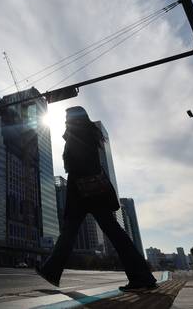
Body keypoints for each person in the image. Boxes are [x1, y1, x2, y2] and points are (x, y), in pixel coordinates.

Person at [36, 107, 157, 292]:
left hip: (83, 193)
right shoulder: (88, 133)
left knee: (71, 233)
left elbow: (77, 165)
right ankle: (142, 276)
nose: (65, 120)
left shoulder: (77, 135)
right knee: (113, 233)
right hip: (94, 192)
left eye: (67, 117)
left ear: (74, 119)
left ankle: (52, 271)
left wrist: (75, 177)